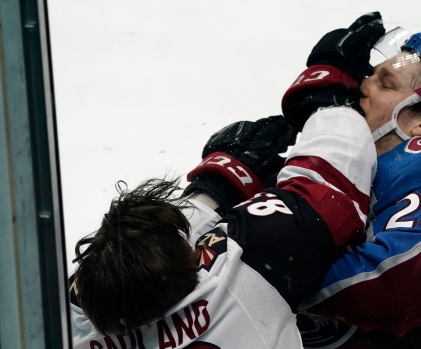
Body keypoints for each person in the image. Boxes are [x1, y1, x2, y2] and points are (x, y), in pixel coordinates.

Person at [68, 100, 381, 346]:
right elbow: (332, 181)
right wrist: (327, 97)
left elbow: (107, 275)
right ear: (195, 259)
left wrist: (216, 189)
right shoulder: (244, 280)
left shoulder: (66, 327)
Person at [281, 14, 421, 349]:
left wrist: (265, 273)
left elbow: (393, 285)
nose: (363, 85)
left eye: (385, 84)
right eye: (370, 74)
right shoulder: (346, 167)